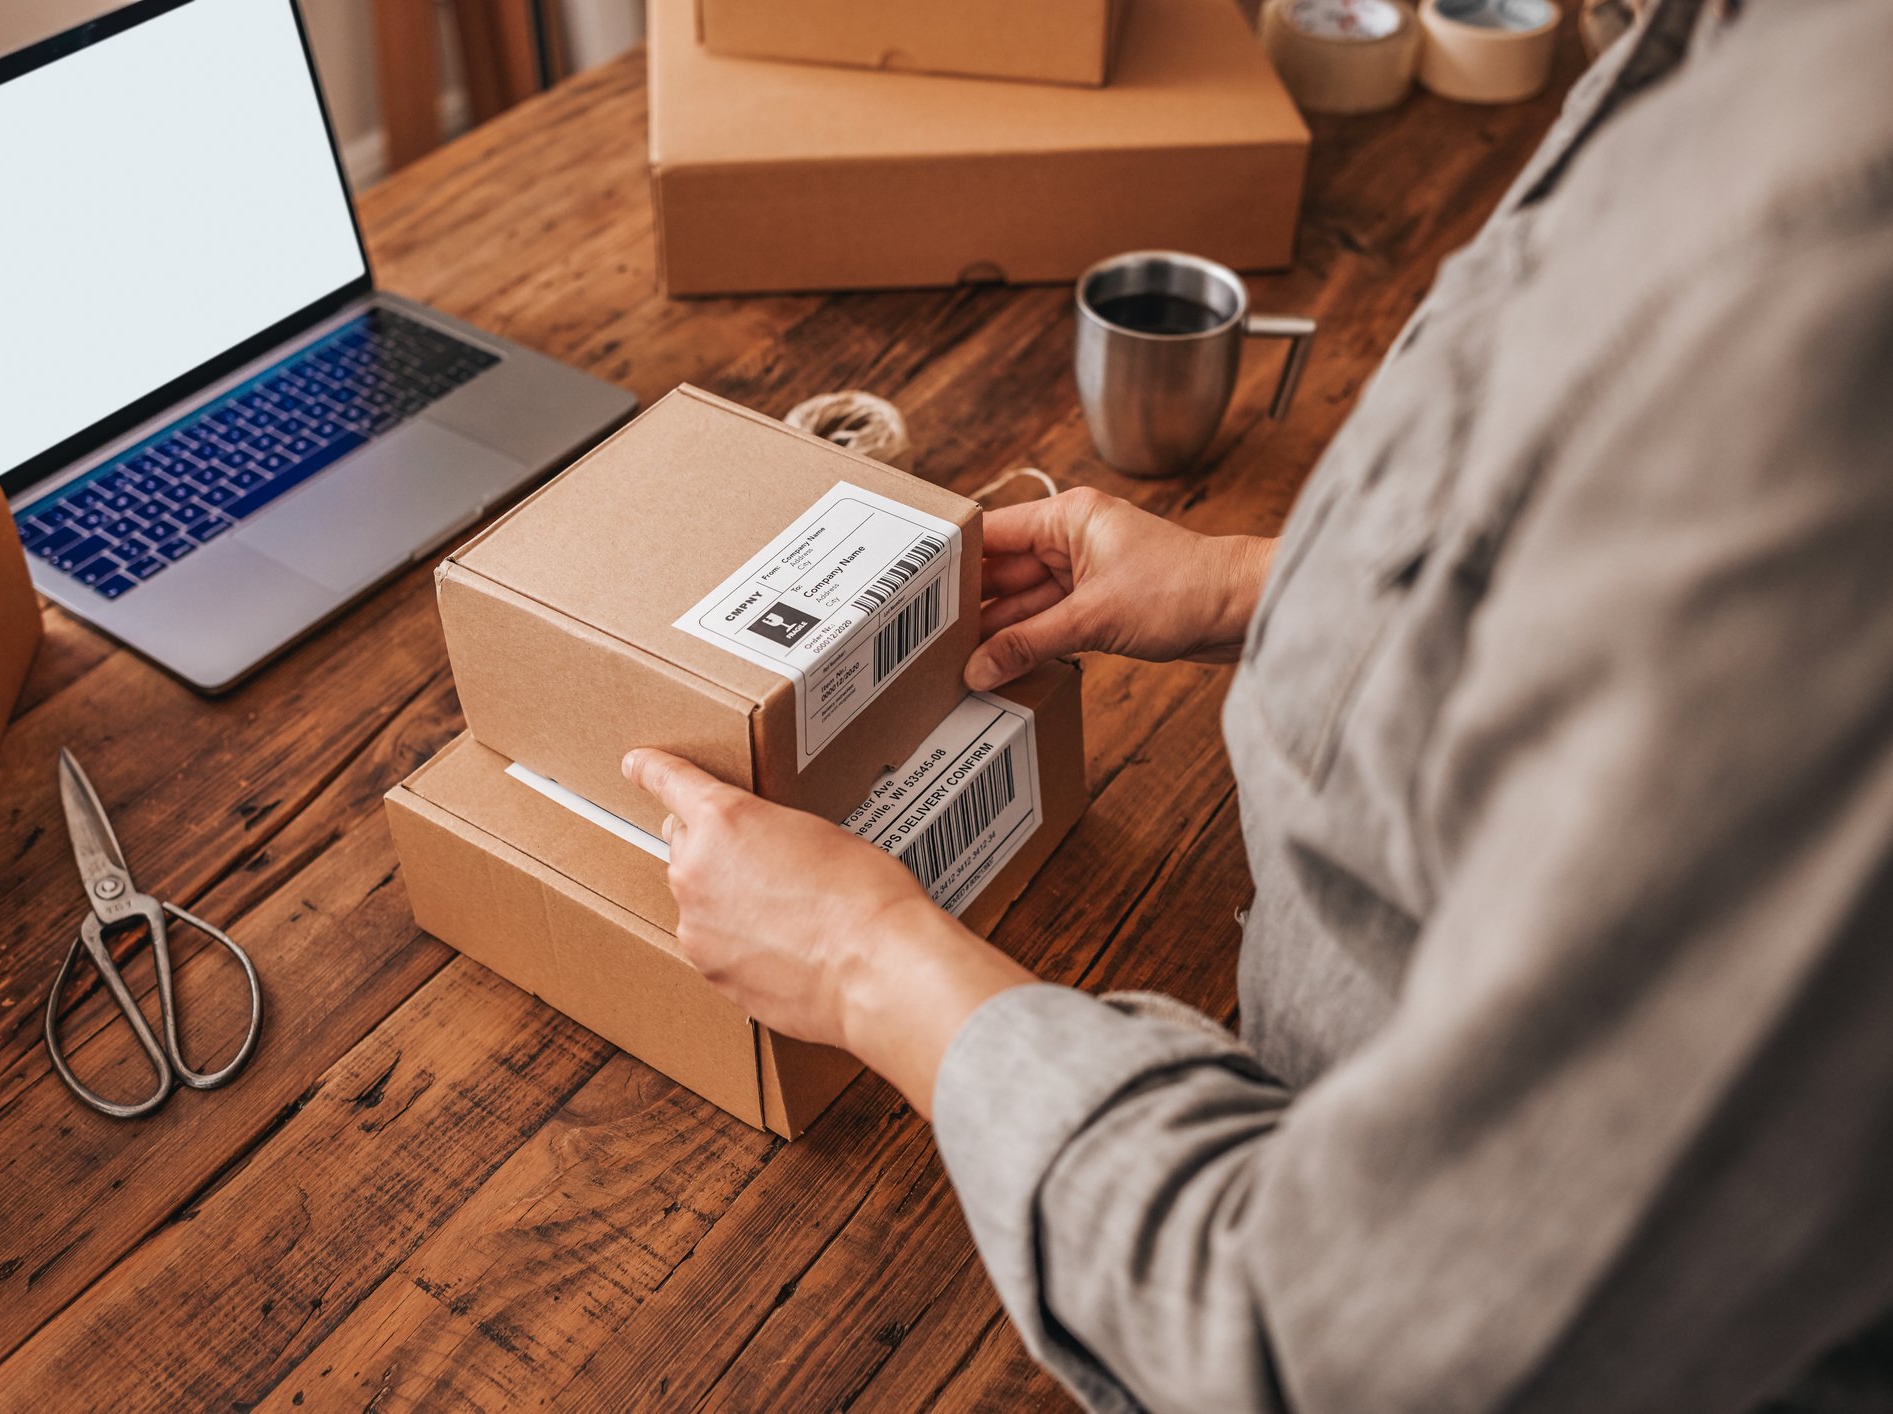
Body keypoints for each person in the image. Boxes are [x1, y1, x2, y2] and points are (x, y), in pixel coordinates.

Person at [621, 0, 1893, 1406]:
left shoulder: (1824, 275)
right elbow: (1622, 580)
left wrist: (866, 958)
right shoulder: (1741, 65)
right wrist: (1255, 583)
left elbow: (1335, 1347)